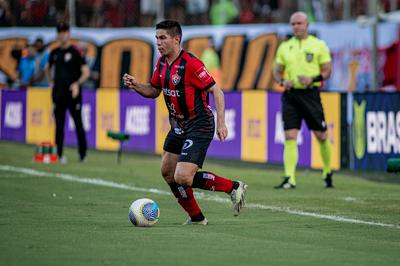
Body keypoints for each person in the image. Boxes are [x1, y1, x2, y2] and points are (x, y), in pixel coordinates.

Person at [123, 20, 247, 225]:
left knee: (183, 176)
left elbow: (217, 90)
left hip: (199, 125)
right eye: (156, 38)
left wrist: (222, 123)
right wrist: (137, 86)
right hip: (178, 126)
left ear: (176, 39)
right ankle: (197, 218)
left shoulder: (191, 63)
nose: (158, 43)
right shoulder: (162, 63)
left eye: (162, 38)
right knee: (167, 172)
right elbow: (154, 91)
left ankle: (233, 187)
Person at [272, 11, 333, 189]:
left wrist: (312, 79)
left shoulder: (319, 45)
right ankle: (289, 178)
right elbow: (276, 71)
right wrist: (283, 81)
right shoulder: (285, 46)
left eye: (299, 23)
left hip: (310, 94)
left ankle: (327, 172)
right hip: (291, 95)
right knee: (290, 135)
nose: (296, 26)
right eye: (293, 24)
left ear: (307, 25)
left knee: (321, 135)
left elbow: (328, 70)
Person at [45, 23, 89, 163]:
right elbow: (47, 68)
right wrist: (51, 81)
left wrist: (77, 83)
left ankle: (82, 154)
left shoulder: (76, 52)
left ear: (68, 34)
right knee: (59, 125)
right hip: (58, 94)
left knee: (78, 124)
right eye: (59, 32)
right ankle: (59, 154)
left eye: (64, 32)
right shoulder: (54, 52)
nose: (62, 35)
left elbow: (86, 72)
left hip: (73, 94)